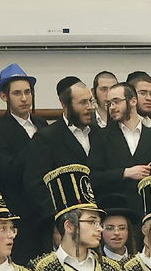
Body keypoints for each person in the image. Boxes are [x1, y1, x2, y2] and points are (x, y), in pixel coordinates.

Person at [25, 77, 114, 233]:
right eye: (82, 103)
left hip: (101, 222)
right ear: (65, 105)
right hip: (64, 224)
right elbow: (36, 185)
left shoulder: (100, 135)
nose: (89, 107)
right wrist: (59, 219)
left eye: (90, 101)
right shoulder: (47, 138)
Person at [0, 63, 49, 262]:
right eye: (17, 93)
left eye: (27, 92)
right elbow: (8, 172)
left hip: (45, 208)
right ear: (4, 96)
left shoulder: (41, 124)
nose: (24, 98)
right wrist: (36, 142)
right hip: (20, 211)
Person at [103, 80, 151, 209]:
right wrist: (125, 172)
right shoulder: (101, 137)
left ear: (133, 101)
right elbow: (94, 177)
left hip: (150, 209)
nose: (112, 107)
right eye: (109, 103)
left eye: (116, 101)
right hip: (115, 210)